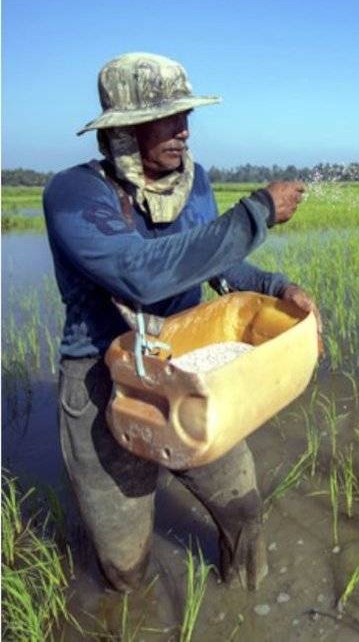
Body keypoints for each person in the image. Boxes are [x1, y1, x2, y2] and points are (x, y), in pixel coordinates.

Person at [42, 52, 320, 592]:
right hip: (105, 382)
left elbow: (213, 261)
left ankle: (244, 605)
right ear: (123, 132)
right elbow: (139, 275)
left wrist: (275, 287)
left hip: (189, 370)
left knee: (244, 509)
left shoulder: (196, 183)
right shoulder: (75, 195)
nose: (184, 131)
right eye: (166, 119)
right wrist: (257, 213)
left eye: (185, 116)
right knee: (126, 565)